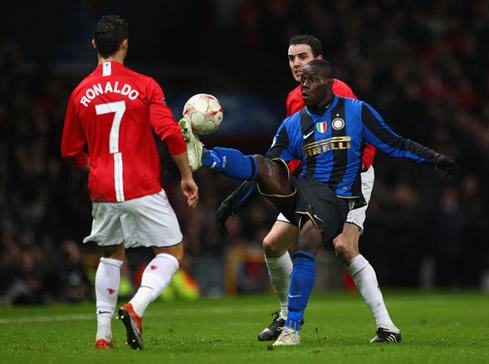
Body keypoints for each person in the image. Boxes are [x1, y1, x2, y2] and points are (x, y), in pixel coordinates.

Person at [181, 59, 457, 346]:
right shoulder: (292, 124)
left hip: (337, 198)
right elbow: (263, 173)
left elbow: (397, 144)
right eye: (302, 81)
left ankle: (292, 328)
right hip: (303, 191)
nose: (304, 85)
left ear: (328, 83)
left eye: (311, 80)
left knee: (309, 237)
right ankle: (205, 156)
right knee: (265, 164)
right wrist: (231, 205)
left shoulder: (357, 112)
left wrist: (435, 159)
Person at [216, 35, 397, 344]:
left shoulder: (340, 94)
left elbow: (365, 146)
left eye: (302, 56)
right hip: (312, 183)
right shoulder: (294, 98)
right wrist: (237, 199)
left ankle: (387, 327)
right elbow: (281, 158)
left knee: (344, 247)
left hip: (350, 179)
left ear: (318, 60)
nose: (296, 63)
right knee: (272, 245)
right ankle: (286, 316)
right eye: (291, 58)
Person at [61, 15, 199, 350]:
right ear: (125, 44)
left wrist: (95, 168)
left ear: (94, 45)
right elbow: (169, 132)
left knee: (111, 255)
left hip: (103, 188)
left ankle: (102, 334)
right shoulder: (144, 85)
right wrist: (185, 175)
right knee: (172, 251)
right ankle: (135, 307)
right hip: (141, 184)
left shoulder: (79, 92)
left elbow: (69, 151)